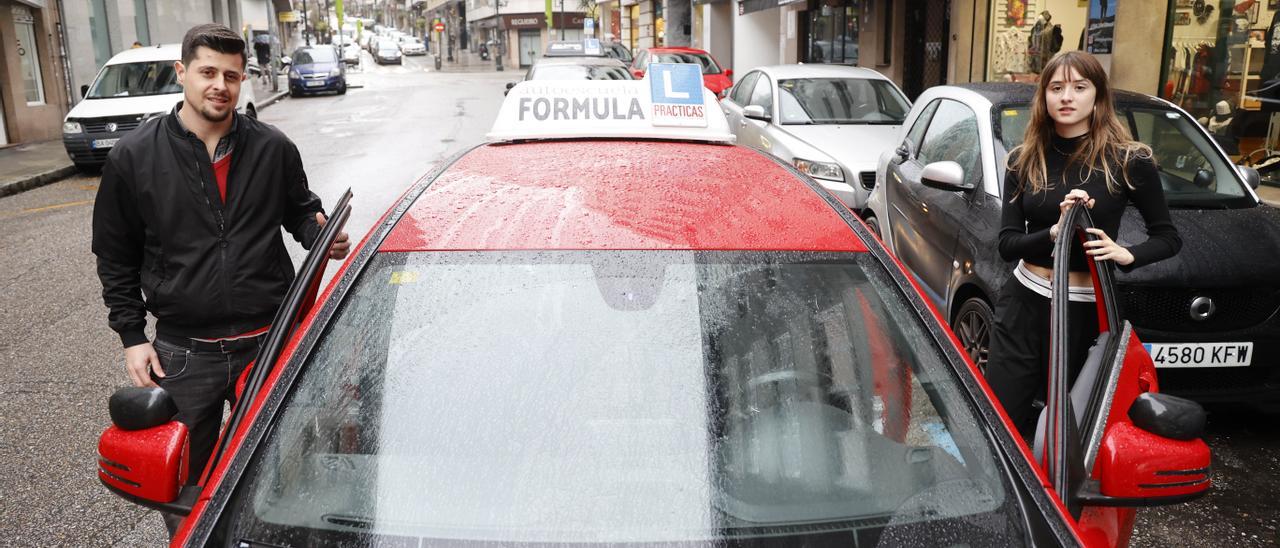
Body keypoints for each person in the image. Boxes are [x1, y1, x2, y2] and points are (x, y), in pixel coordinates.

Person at [91, 23, 350, 531]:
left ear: (242, 81)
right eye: (207, 72)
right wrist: (131, 336)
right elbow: (114, 256)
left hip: (270, 341)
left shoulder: (273, 147)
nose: (220, 85)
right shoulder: (134, 157)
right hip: (185, 352)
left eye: (231, 75)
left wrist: (320, 231)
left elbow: (299, 211)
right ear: (182, 73)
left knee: (283, 473)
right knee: (187, 487)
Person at [985, 51, 1181, 438]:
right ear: (1043, 97)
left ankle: (1058, 499)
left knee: (1072, 430)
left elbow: (1168, 238)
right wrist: (1054, 232)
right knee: (1001, 419)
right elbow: (1007, 245)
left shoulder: (1129, 161)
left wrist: (1126, 254)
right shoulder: (1022, 161)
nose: (1066, 97)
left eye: (1079, 87)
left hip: (1088, 313)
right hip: (1024, 305)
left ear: (1098, 95)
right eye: (1056, 88)